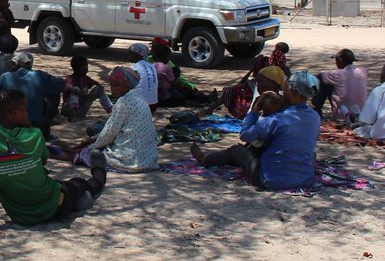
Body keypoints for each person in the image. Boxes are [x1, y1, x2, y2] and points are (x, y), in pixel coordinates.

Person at [0, 88, 107, 236]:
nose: (27, 113)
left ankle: (80, 198)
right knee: (78, 183)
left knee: (61, 185)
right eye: (25, 110)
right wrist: (28, 125)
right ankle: (99, 174)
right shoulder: (34, 134)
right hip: (54, 207)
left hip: (20, 215)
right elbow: (43, 160)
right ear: (14, 114)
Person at [191, 70, 321, 191]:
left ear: (295, 92)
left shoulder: (277, 118)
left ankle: (206, 160)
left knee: (236, 151)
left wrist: (254, 110)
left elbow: (245, 134)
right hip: (304, 180)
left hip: (270, 179)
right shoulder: (315, 117)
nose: (283, 90)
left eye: (285, 87)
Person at [71, 66, 159, 172]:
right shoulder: (140, 98)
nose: (112, 88)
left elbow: (109, 133)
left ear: (128, 85)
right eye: (111, 85)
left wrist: (92, 146)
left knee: (84, 153)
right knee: (97, 133)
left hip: (129, 161)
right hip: (149, 160)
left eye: (116, 85)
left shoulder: (123, 102)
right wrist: (92, 139)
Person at [0, 51, 66, 139]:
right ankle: (46, 129)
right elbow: (62, 85)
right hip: (36, 123)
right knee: (53, 93)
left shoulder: (5, 77)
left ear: (15, 64)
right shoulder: (40, 76)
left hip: (10, 122)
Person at [150, 38, 215, 106]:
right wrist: (176, 76)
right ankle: (203, 102)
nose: (168, 59)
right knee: (184, 95)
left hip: (155, 96)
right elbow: (174, 83)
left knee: (183, 90)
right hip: (165, 97)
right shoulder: (165, 67)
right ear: (163, 56)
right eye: (168, 57)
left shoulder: (151, 66)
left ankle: (205, 99)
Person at [314, 49, 368, 121]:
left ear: (339, 60)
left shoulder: (338, 74)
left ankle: (317, 107)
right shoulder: (363, 71)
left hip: (343, 114)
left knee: (326, 82)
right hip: (361, 112)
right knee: (331, 81)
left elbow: (320, 75)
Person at [61, 55, 112, 120]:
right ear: (80, 68)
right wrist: (85, 95)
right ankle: (73, 114)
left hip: (81, 109)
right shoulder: (69, 78)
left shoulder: (85, 79)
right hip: (68, 109)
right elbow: (72, 89)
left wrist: (96, 91)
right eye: (86, 67)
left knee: (98, 89)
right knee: (76, 89)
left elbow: (99, 86)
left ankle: (111, 110)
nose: (87, 69)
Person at [126, 42, 165, 110]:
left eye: (131, 53)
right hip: (153, 105)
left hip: (139, 106)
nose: (129, 56)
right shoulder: (152, 66)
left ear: (138, 55)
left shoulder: (133, 68)